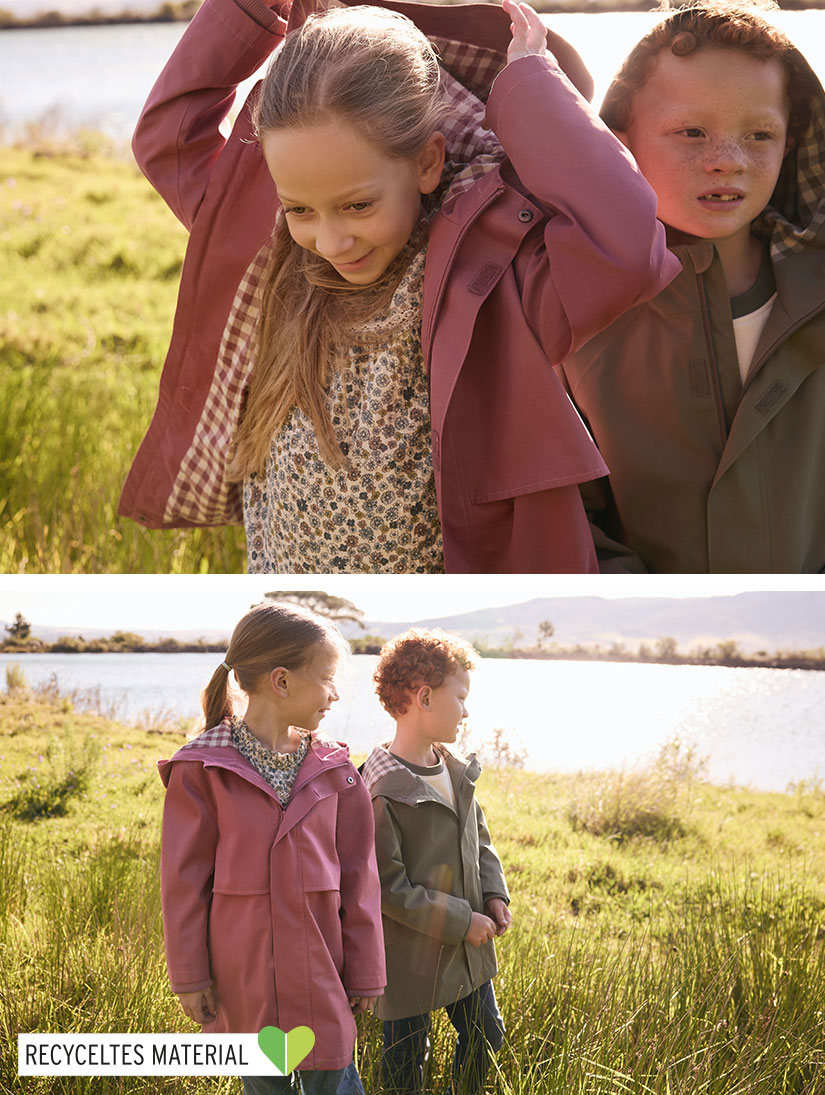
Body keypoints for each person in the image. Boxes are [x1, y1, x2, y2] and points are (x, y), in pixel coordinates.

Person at [118, 0, 678, 574]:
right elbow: (170, 139)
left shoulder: (491, 278)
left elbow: (626, 250)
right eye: (300, 208)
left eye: (358, 206)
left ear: (428, 162)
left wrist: (532, 87)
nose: (332, 241)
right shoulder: (275, 255)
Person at [558, 0, 825, 572]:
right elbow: (563, 511)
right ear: (619, 138)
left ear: (793, 140)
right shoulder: (572, 307)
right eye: (691, 132)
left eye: (759, 135)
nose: (727, 161)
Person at [158, 602, 385, 1095]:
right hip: (246, 984)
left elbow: (360, 876)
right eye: (326, 678)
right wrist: (190, 976)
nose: (335, 694)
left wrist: (366, 969)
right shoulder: (200, 771)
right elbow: (183, 884)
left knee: (337, 1079)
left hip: (325, 976)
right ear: (281, 682)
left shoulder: (338, 771)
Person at [361, 628, 510, 1094]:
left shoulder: (454, 769)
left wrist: (493, 893)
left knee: (487, 1035)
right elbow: (388, 888)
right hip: (410, 958)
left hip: (466, 952)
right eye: (460, 697)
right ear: (424, 697)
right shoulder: (382, 791)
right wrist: (463, 920)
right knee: (406, 1062)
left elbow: (478, 836)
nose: (467, 710)